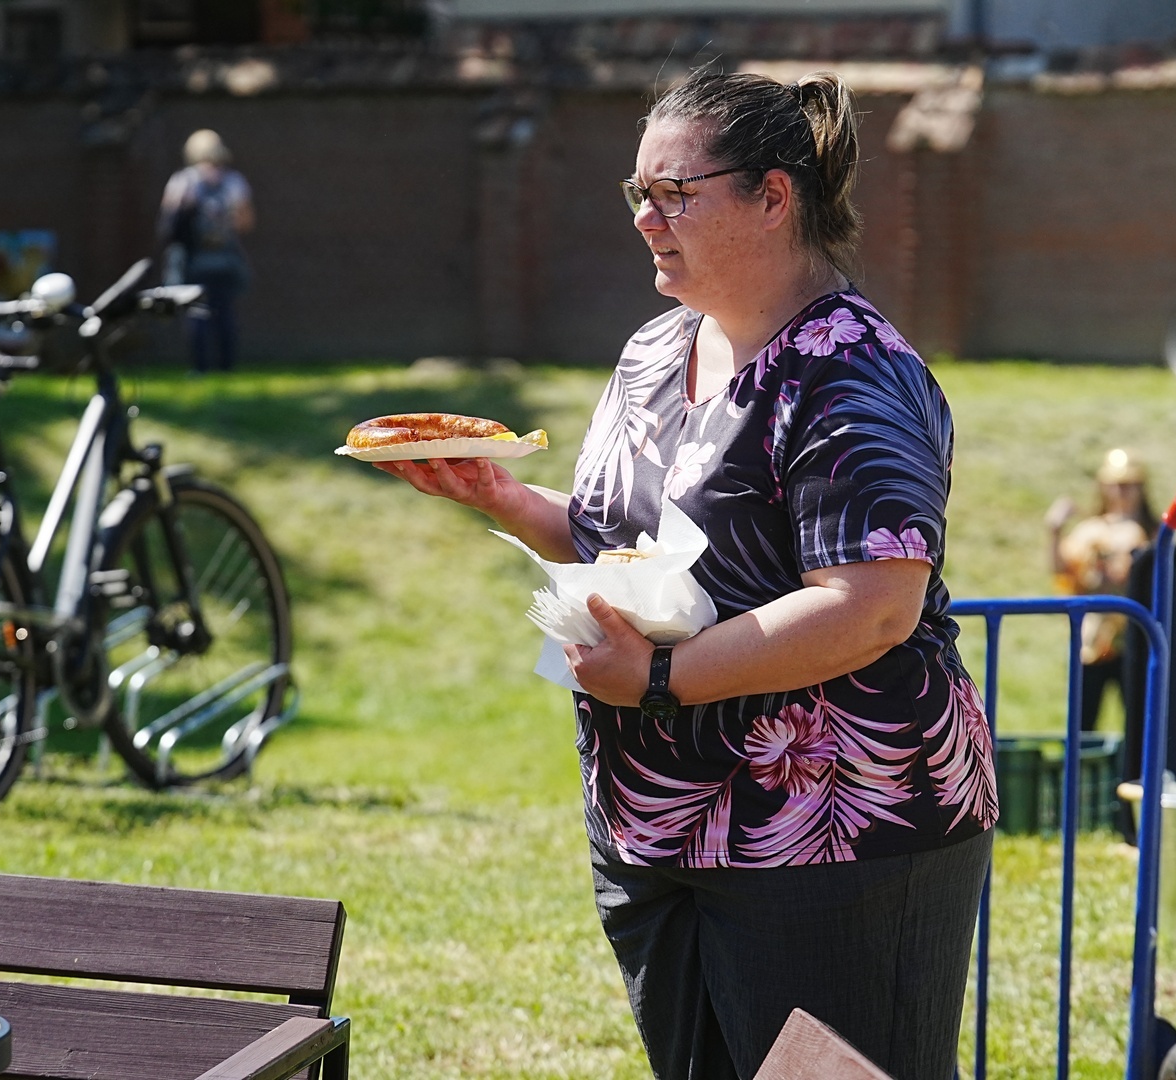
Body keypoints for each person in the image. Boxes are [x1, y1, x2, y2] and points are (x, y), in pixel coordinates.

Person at [374, 68, 996, 1080]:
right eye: (638, 192)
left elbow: (872, 607)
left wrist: (660, 679)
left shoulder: (854, 370)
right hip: (656, 827)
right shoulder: (653, 354)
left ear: (772, 196)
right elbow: (623, 546)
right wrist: (504, 499)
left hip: (835, 836)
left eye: (673, 192)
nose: (645, 218)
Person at [1045, 448, 1158, 732]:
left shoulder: (1155, 532)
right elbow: (1063, 571)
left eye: (1129, 484)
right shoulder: (1090, 530)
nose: (1122, 492)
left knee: (1141, 721)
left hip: (1136, 636)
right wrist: (1054, 531)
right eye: (1116, 484)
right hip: (1093, 639)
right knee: (1083, 722)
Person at [157, 129, 254, 372]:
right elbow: (245, 223)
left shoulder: (183, 180)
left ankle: (200, 368)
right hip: (225, 258)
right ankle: (226, 366)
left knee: (196, 312)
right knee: (225, 312)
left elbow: (168, 220)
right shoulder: (233, 181)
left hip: (194, 259)